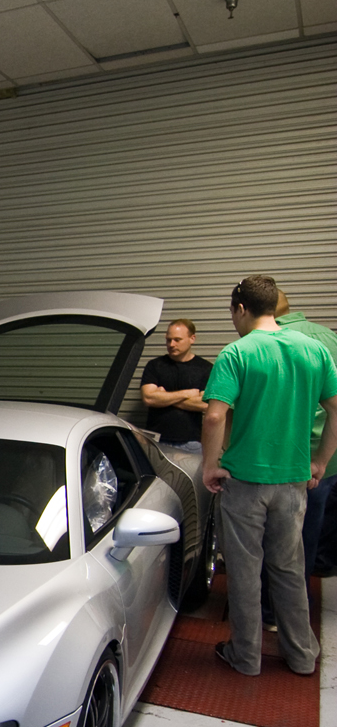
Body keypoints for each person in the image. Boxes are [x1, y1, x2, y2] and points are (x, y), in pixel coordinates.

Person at [201, 275, 337, 677]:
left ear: (241, 308)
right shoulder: (313, 350)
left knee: (245, 571)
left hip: (245, 481)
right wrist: (321, 461)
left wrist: (210, 465)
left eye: (232, 313)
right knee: (290, 568)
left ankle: (246, 657)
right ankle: (301, 655)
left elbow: (214, 416)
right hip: (293, 483)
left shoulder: (236, 353)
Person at [274, 289, 337, 580]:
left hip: (291, 456)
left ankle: (277, 603)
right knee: (313, 532)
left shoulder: (274, 341)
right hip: (329, 455)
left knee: (284, 540)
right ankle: (305, 590)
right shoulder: (328, 337)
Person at [140, 319, 213, 451]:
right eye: (168, 340)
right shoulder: (155, 365)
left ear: (192, 338)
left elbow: (205, 404)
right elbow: (148, 398)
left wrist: (163, 397)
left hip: (191, 443)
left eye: (177, 340)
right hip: (155, 441)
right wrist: (187, 394)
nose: (171, 344)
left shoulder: (205, 368)